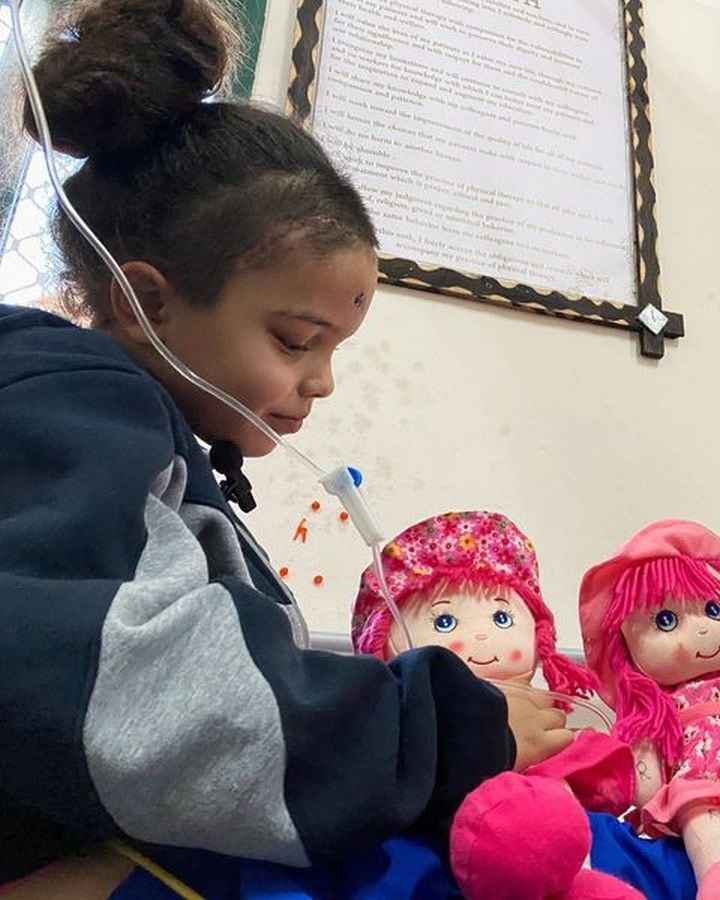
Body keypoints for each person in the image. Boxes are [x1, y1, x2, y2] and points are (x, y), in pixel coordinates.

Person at [0, 0, 570, 892]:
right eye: (296, 341)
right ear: (147, 301)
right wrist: (445, 730)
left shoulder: (132, 433)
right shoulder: (73, 408)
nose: (321, 381)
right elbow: (133, 690)